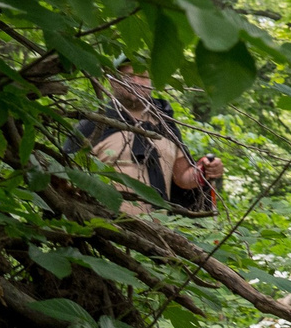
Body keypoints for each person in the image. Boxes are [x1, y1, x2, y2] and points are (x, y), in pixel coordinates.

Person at [71, 62, 222, 218]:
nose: (137, 81)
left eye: (143, 76)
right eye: (129, 76)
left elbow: (183, 178)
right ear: (112, 81)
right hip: (106, 229)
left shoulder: (167, 127)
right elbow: (70, 180)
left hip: (158, 233)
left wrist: (206, 170)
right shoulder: (91, 126)